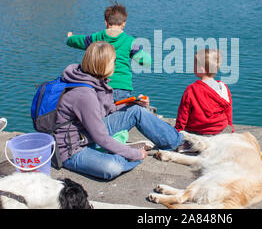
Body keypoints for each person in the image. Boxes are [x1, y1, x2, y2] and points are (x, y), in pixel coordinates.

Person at [54, 41, 183, 180]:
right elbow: (101, 137)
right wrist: (135, 155)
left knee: (135, 110)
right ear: (104, 64)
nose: (115, 65)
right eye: (113, 61)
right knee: (112, 168)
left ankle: (176, 143)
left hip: (86, 133)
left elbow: (109, 109)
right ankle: (122, 151)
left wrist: (132, 102)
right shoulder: (84, 94)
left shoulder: (92, 78)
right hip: (70, 149)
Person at [66, 2, 151, 102]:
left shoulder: (96, 38)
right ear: (124, 24)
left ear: (106, 22)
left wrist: (70, 38)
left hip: (99, 86)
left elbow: (79, 41)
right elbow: (146, 61)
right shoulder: (130, 41)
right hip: (122, 87)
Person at [175, 49, 234, 136]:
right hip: (221, 131)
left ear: (202, 69)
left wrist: (178, 132)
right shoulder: (223, 88)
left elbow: (183, 115)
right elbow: (228, 111)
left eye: (195, 64)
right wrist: (230, 127)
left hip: (198, 132)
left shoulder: (191, 90)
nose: (193, 67)